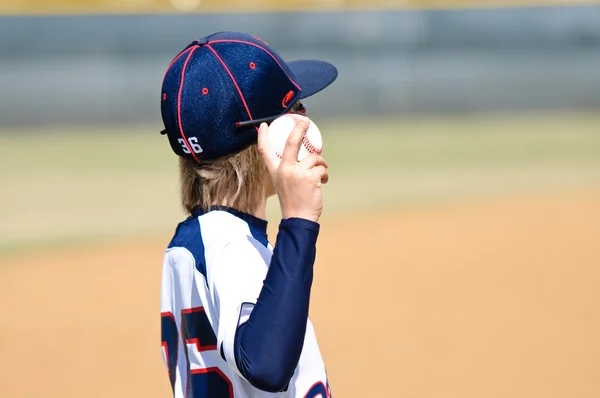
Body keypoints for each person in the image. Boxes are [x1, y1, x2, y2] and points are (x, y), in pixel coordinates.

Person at [159, 31, 338, 398]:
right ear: (269, 137)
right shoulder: (228, 244)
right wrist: (299, 221)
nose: (304, 115)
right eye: (295, 109)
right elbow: (267, 365)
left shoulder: (202, 240)